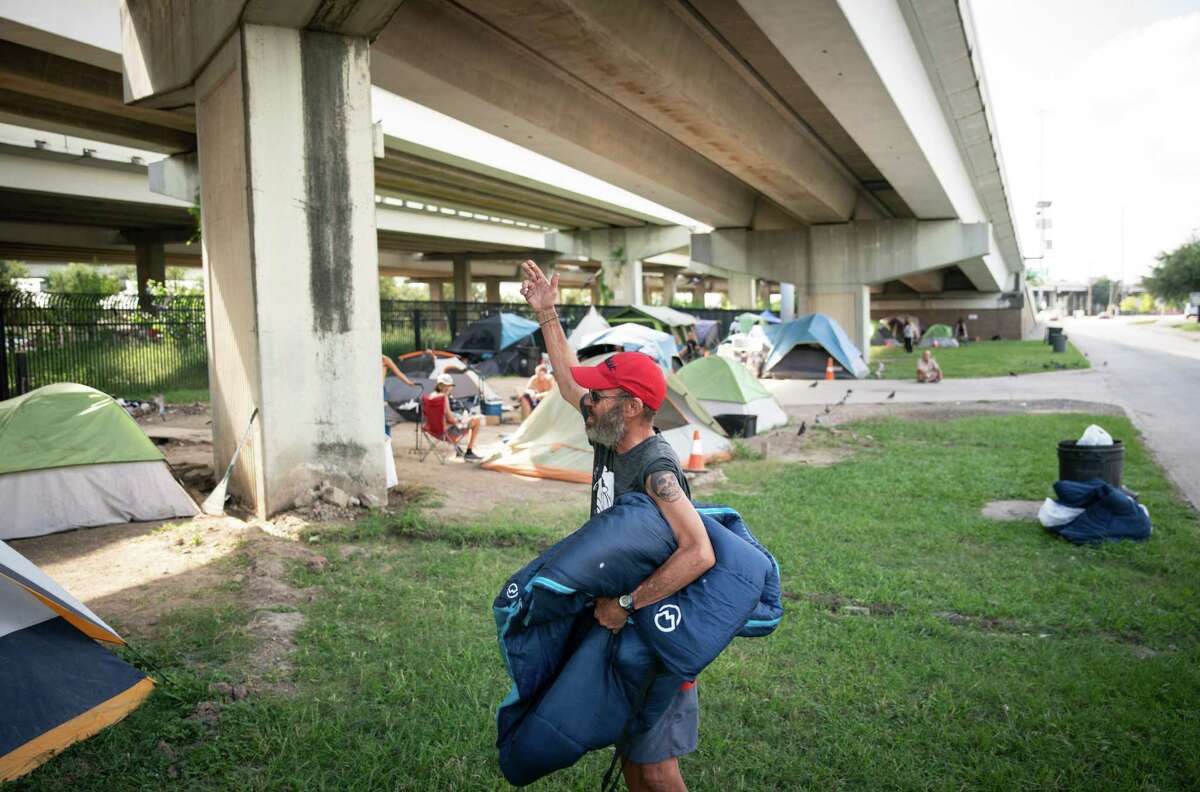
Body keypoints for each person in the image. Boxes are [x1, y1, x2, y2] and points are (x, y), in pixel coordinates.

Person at [520, 259, 714, 792]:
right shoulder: (609, 431)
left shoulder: (655, 468)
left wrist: (626, 605)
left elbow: (699, 552)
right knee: (632, 754)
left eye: (600, 394)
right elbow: (565, 380)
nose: (588, 399)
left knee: (656, 765)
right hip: (621, 625)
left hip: (655, 627)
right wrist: (548, 314)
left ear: (630, 406)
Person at [432, 373, 482, 460]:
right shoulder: (444, 397)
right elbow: (451, 420)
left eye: (450, 385)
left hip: (434, 430)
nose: (448, 387)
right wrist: (461, 421)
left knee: (463, 418)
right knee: (476, 421)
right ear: (440, 386)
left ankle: (457, 449)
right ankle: (469, 451)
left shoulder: (432, 396)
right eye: (446, 385)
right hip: (445, 432)